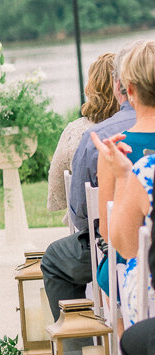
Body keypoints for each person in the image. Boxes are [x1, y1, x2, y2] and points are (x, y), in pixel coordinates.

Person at [41, 43, 139, 330]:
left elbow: (83, 214)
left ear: (122, 86)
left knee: (54, 259)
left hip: (117, 253)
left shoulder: (97, 138)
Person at [92, 41, 155, 327]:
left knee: (112, 273)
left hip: (140, 282)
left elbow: (113, 237)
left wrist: (121, 177)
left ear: (128, 90)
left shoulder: (115, 152)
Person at [46, 52, 116, 213]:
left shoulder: (75, 131)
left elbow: (58, 196)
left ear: (90, 88)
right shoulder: (137, 125)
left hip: (90, 227)